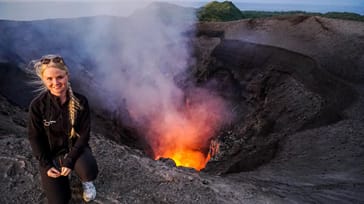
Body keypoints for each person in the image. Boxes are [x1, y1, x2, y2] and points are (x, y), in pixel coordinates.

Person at [27, 54, 99, 203]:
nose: (55, 82)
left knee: (89, 170)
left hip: (75, 150)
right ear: (43, 80)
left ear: (67, 75)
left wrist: (70, 161)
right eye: (50, 79)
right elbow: (35, 138)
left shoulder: (80, 102)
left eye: (60, 77)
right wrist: (46, 165)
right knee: (59, 201)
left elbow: (84, 135)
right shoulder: (37, 106)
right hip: (51, 155)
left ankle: (86, 181)